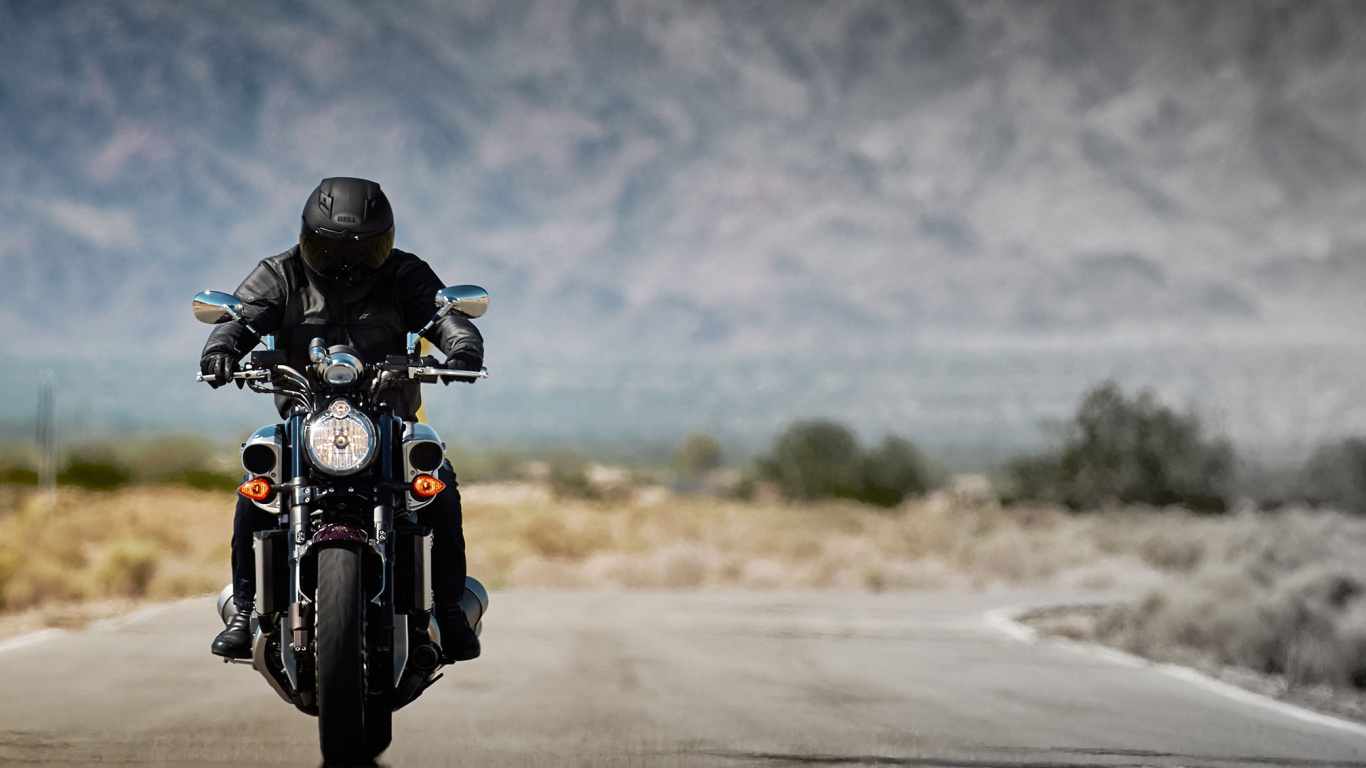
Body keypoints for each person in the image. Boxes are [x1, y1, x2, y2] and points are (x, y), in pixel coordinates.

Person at [201, 177, 482, 663]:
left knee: (439, 480)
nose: (346, 262)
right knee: (258, 479)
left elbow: (442, 315)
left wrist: (462, 345)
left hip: (388, 422)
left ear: (386, 242)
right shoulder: (280, 273)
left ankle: (449, 608)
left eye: (363, 249)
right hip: (303, 421)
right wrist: (222, 348)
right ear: (308, 238)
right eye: (331, 249)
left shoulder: (404, 275)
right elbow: (240, 318)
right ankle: (246, 609)